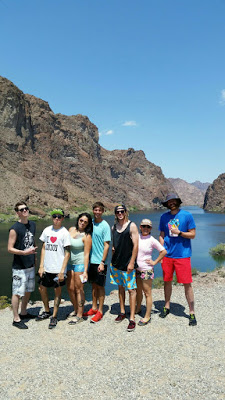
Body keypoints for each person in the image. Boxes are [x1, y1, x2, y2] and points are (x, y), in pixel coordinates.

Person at [159, 193, 197, 326]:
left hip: (183, 256)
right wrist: (162, 250)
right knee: (167, 282)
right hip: (168, 256)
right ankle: (167, 306)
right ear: (167, 204)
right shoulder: (163, 217)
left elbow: (193, 234)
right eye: (169, 201)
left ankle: (191, 313)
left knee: (187, 284)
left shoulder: (187, 215)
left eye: (173, 201)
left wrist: (180, 233)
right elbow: (162, 235)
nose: (171, 203)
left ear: (177, 202)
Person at [36, 209, 71, 329]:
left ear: (62, 218)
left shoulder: (64, 233)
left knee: (57, 291)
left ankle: (54, 316)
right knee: (41, 288)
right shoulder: (47, 230)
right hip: (47, 267)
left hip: (58, 268)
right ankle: (47, 311)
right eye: (54, 216)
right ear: (52, 217)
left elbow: (67, 253)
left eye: (59, 217)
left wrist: (62, 271)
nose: (56, 219)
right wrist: (41, 266)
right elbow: (44, 248)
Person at [8, 201, 38, 329]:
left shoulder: (33, 225)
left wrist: (34, 257)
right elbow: (10, 248)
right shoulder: (15, 229)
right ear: (17, 213)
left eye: (26, 208)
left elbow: (32, 241)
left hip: (30, 264)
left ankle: (24, 312)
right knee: (17, 292)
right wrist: (23, 253)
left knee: (28, 290)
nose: (25, 210)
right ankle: (16, 318)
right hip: (19, 267)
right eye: (21, 209)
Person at [110, 204, 139, 332]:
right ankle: (122, 312)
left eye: (122, 211)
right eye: (117, 212)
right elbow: (114, 245)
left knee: (131, 290)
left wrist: (132, 262)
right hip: (116, 264)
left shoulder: (132, 226)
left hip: (128, 264)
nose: (120, 213)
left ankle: (132, 318)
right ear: (115, 214)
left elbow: (136, 246)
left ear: (126, 212)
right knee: (120, 288)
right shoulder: (113, 227)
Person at [83, 202, 111, 323]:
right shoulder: (91, 224)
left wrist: (102, 262)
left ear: (103, 211)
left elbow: (107, 245)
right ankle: (94, 307)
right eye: (95, 210)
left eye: (100, 210)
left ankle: (100, 311)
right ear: (93, 211)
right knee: (93, 285)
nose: (97, 212)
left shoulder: (105, 226)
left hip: (100, 262)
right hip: (91, 261)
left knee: (100, 286)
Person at [136, 219, 167, 326]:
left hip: (146, 270)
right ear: (140, 227)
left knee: (147, 293)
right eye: (143, 226)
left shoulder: (152, 240)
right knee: (138, 291)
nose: (145, 228)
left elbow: (163, 251)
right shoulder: (136, 237)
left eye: (148, 227)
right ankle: (138, 308)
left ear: (150, 229)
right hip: (136, 269)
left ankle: (147, 316)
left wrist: (154, 262)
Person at [67, 213, 92, 324]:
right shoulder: (71, 229)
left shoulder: (86, 236)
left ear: (88, 224)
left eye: (85, 222)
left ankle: (80, 315)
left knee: (79, 289)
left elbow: (86, 254)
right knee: (70, 288)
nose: (82, 223)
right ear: (78, 220)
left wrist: (85, 270)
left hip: (80, 264)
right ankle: (76, 309)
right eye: (81, 220)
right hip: (69, 263)